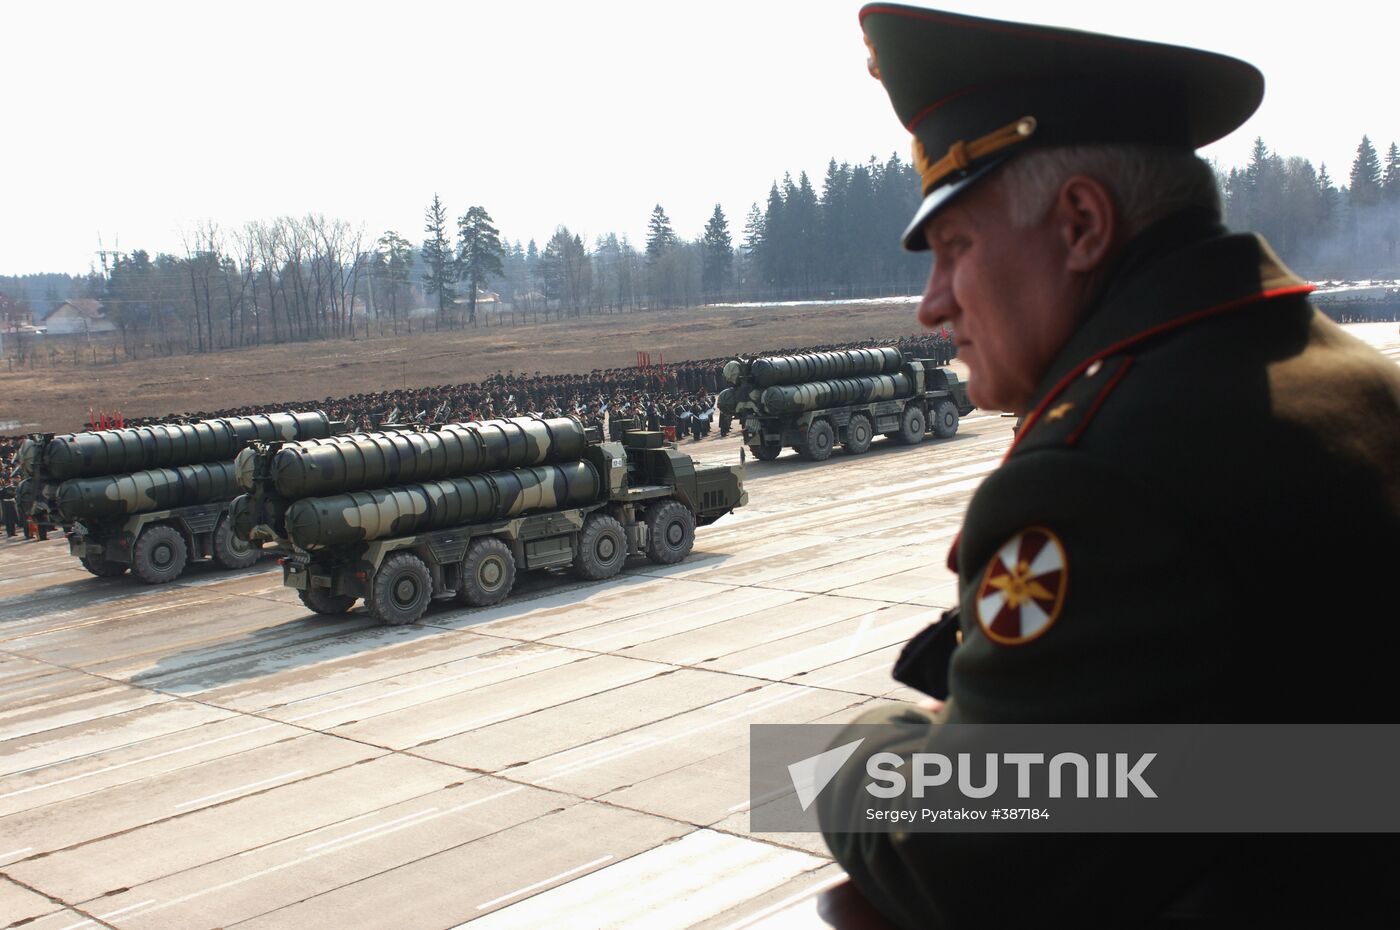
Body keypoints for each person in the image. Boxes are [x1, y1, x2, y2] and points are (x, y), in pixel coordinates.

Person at [817, 5, 1400, 927]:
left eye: (955, 249)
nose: (932, 306)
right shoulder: (1360, 382)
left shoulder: (1098, 479)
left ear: (1083, 224)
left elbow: (956, 861)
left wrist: (850, 754)